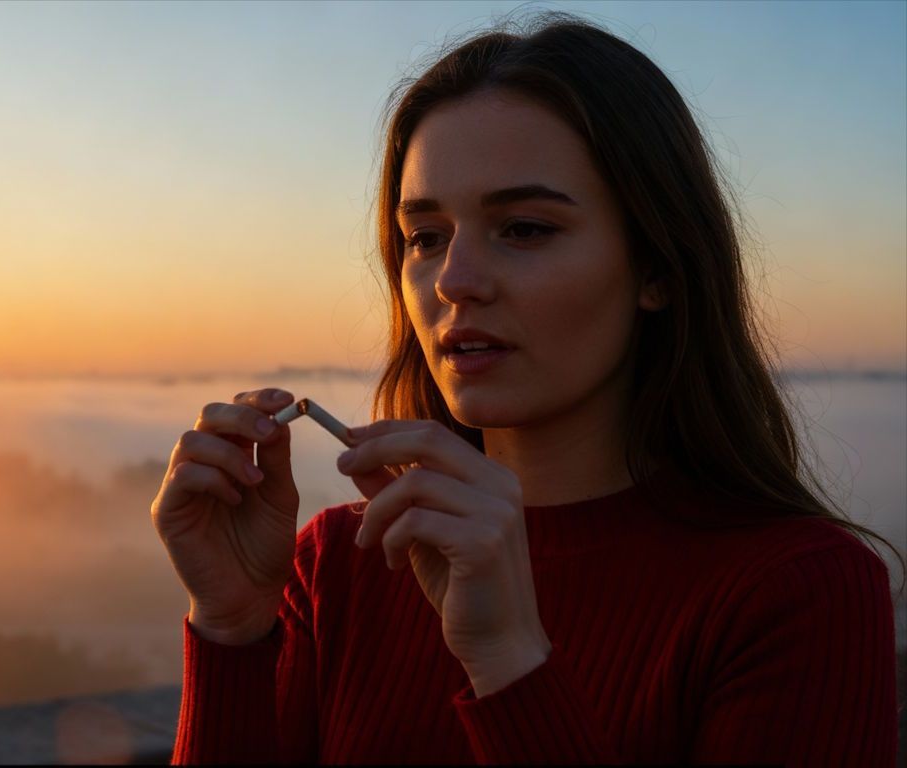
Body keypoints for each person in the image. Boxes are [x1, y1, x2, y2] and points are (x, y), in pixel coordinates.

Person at [149, 10, 902, 766]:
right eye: (426, 237)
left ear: (658, 269)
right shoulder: (343, 563)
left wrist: (511, 661)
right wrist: (231, 627)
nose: (455, 281)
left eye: (525, 229)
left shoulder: (798, 591)